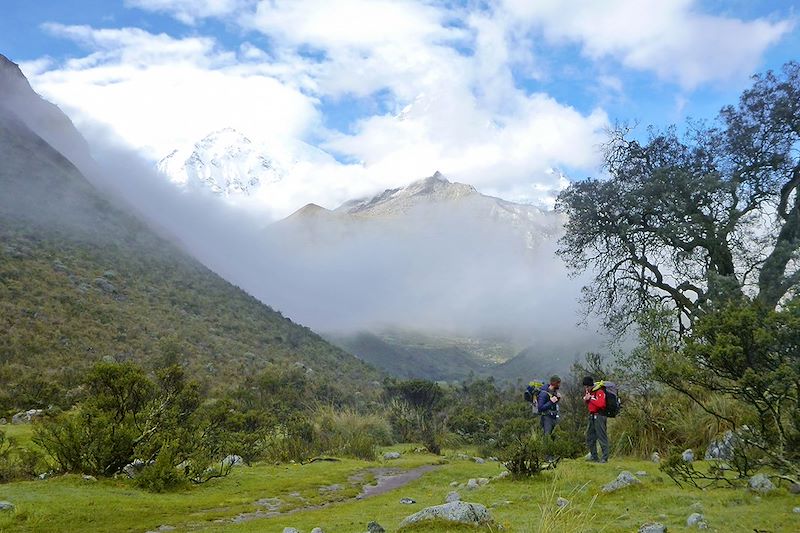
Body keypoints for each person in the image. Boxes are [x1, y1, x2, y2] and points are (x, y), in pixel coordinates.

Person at [583, 375, 609, 463]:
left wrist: (590, 398)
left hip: (600, 416)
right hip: (592, 416)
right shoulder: (590, 392)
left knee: (601, 436)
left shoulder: (600, 391)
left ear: (590, 385)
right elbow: (590, 403)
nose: (586, 388)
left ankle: (605, 457)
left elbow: (601, 404)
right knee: (590, 437)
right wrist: (587, 399)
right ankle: (594, 456)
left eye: (587, 386)